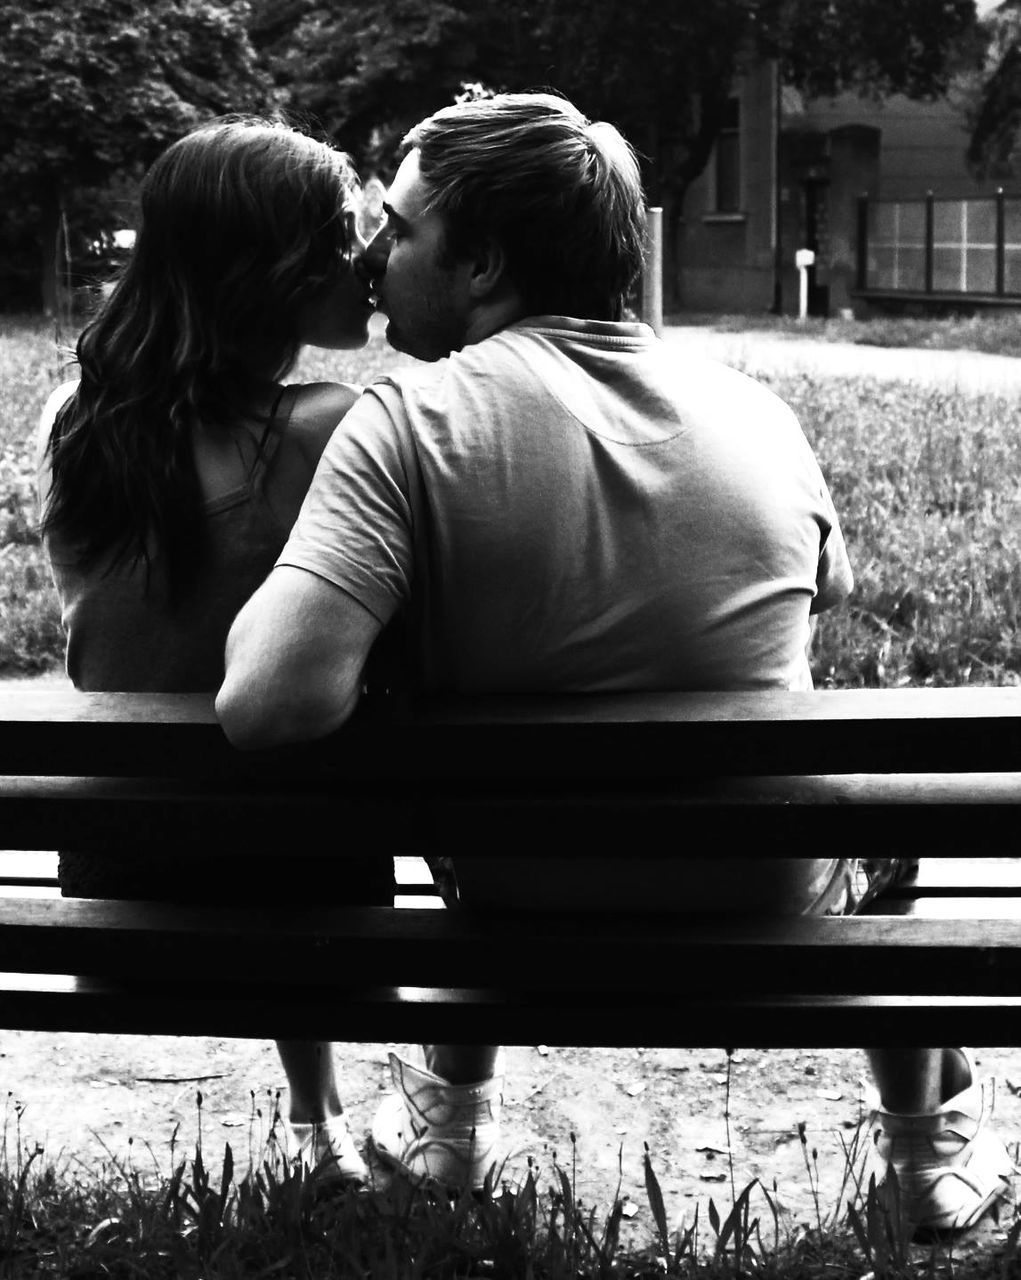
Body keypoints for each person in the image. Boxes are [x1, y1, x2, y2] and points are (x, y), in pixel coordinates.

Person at [215, 92, 1014, 1235]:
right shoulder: (757, 411)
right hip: (756, 903)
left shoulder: (405, 422)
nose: (373, 255)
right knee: (875, 831)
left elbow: (267, 703)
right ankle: (928, 1153)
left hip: (513, 899)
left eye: (398, 228)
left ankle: (449, 1126)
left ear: (484, 260)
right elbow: (825, 587)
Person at [37, 114, 389, 1186]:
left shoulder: (78, 421)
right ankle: (319, 1116)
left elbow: (120, 635)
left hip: (122, 872)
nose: (368, 256)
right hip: (309, 893)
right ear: (270, 269)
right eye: (341, 235)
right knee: (308, 739)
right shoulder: (331, 424)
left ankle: (311, 1112)